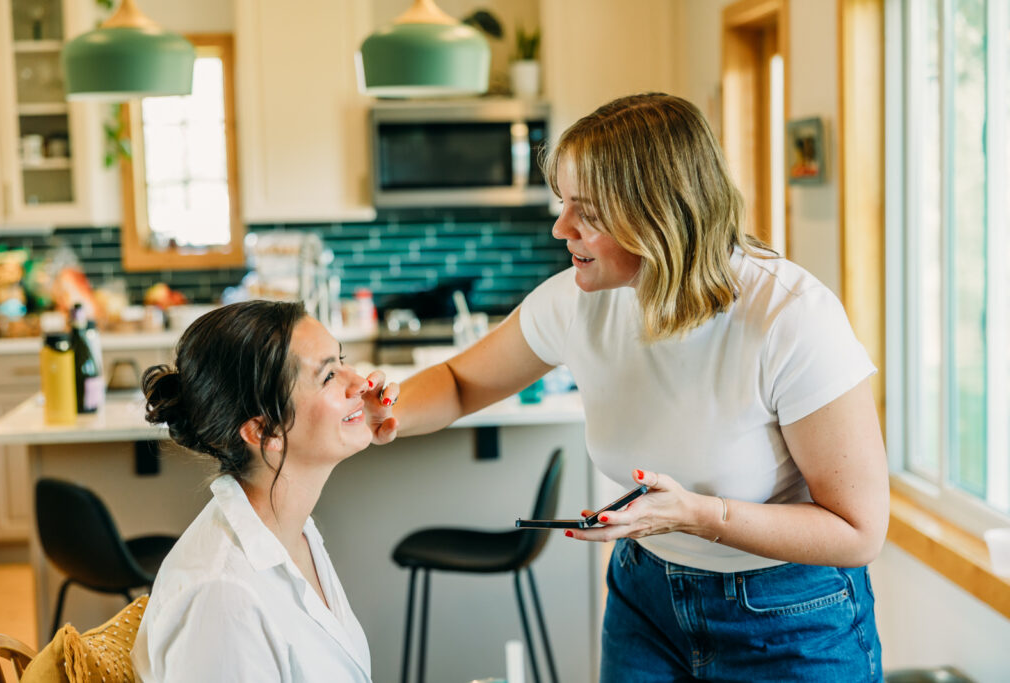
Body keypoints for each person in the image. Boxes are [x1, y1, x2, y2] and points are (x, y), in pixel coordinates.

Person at [370, 93, 888, 681]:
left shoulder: (791, 317)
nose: (560, 227)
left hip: (790, 613)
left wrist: (695, 514)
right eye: (562, 203)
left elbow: (858, 532)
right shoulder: (575, 300)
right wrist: (385, 412)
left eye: (585, 212)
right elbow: (460, 383)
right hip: (646, 597)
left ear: (656, 214)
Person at [131, 300, 398, 683]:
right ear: (264, 432)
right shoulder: (223, 597)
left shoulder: (290, 531)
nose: (361, 382)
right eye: (328, 377)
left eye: (342, 360)